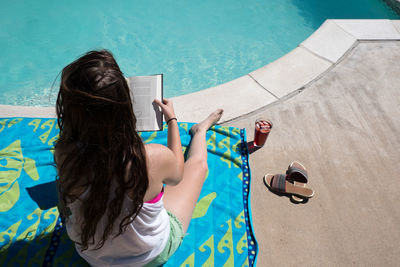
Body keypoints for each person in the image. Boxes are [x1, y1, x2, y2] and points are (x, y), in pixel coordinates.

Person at [54, 50, 223, 266]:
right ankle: (201, 131)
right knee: (197, 167)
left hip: (93, 257)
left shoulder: (64, 152)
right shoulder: (150, 157)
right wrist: (171, 118)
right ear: (124, 109)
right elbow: (177, 175)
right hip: (148, 256)